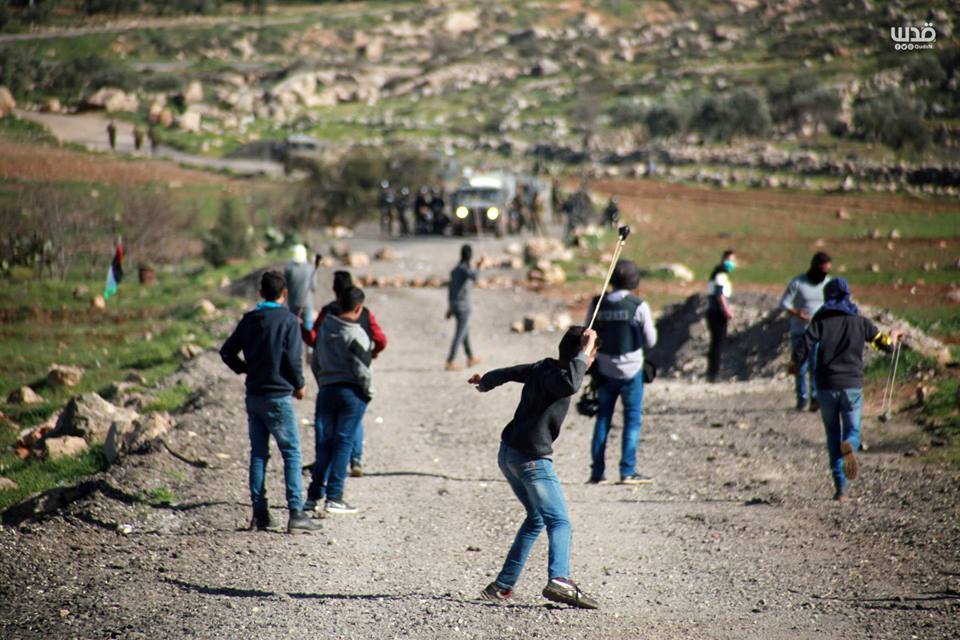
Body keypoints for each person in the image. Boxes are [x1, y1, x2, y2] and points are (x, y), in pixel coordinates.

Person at [469, 326, 600, 610]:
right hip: (531, 460)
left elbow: (511, 372)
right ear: (584, 356)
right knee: (560, 521)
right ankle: (560, 579)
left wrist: (486, 381)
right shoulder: (564, 378)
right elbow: (572, 384)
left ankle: (502, 586)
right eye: (592, 356)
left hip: (509, 454)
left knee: (537, 518)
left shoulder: (544, 367)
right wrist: (585, 351)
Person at [219, 271, 320, 534]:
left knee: (259, 454)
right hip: (278, 397)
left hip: (254, 396)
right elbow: (292, 359)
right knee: (291, 453)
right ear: (284, 294)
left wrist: (244, 369)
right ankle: (296, 513)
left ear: (261, 294)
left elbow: (226, 352)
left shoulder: (249, 319)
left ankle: (259, 513)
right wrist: (299, 385)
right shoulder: (289, 320)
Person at [792, 278, 899, 502]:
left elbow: (803, 346)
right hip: (851, 385)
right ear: (848, 296)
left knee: (832, 434)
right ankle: (850, 444)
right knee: (852, 430)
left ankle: (840, 489)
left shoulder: (820, 322)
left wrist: (795, 365)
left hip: (825, 386)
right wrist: (895, 336)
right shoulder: (861, 322)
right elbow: (886, 345)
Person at [302, 271, 387, 477]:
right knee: (353, 419)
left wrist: (300, 327)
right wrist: (371, 353)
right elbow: (381, 339)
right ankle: (355, 459)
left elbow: (314, 339)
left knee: (325, 421)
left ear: (334, 289)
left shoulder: (328, 312)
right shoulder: (364, 312)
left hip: (330, 374)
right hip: (358, 374)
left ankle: (324, 461)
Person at [584, 260, 658, 485]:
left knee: (603, 418)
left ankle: (597, 473)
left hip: (604, 370)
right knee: (632, 420)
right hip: (632, 369)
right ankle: (627, 471)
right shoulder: (638, 305)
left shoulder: (598, 303)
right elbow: (651, 340)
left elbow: (587, 333)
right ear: (635, 282)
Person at [305, 286, 374, 515]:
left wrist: (323, 382)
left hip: (326, 391)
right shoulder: (356, 334)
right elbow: (363, 369)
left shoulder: (325, 329)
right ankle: (335, 496)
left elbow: (315, 362)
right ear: (358, 308)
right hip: (351, 394)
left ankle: (312, 497)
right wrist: (368, 393)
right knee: (343, 444)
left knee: (324, 445)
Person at [780, 252, 832, 411]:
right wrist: (797, 313)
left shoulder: (828, 284)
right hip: (800, 332)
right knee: (800, 367)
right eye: (822, 270)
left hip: (819, 333)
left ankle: (815, 399)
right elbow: (784, 303)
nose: (824, 274)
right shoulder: (798, 282)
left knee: (817, 366)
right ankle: (802, 399)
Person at [446, 244, 481, 371]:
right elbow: (475, 277)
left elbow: (450, 290)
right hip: (463, 307)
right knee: (459, 335)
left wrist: (450, 307)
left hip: (455, 306)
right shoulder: (464, 269)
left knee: (465, 332)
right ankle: (450, 361)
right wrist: (479, 265)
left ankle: (470, 357)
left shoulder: (455, 270)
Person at [705, 250, 735, 382]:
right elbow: (719, 294)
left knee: (715, 343)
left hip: (713, 312)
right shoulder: (720, 274)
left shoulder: (717, 273)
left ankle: (712, 372)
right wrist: (727, 310)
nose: (731, 263)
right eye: (730, 260)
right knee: (717, 343)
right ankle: (714, 373)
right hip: (717, 313)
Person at [283, 244, 315, 331]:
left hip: (293, 302)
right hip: (307, 302)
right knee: (308, 325)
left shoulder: (288, 269)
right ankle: (309, 344)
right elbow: (313, 287)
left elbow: (285, 286)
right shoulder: (310, 268)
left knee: (293, 326)